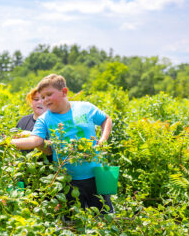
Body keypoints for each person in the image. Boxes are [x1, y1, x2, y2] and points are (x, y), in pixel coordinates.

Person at [11, 74, 114, 215]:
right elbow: (35, 140)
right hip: (67, 180)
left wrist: (102, 140)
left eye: (49, 95)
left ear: (64, 92)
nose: (45, 100)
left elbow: (106, 119)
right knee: (72, 223)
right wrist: (8, 142)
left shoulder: (85, 107)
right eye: (42, 97)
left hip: (98, 174)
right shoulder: (44, 119)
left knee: (105, 217)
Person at [15, 88, 52, 162]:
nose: (40, 102)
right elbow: (15, 148)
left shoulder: (54, 122)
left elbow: (53, 149)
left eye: (43, 99)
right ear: (31, 102)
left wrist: (31, 136)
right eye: (36, 99)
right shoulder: (23, 121)